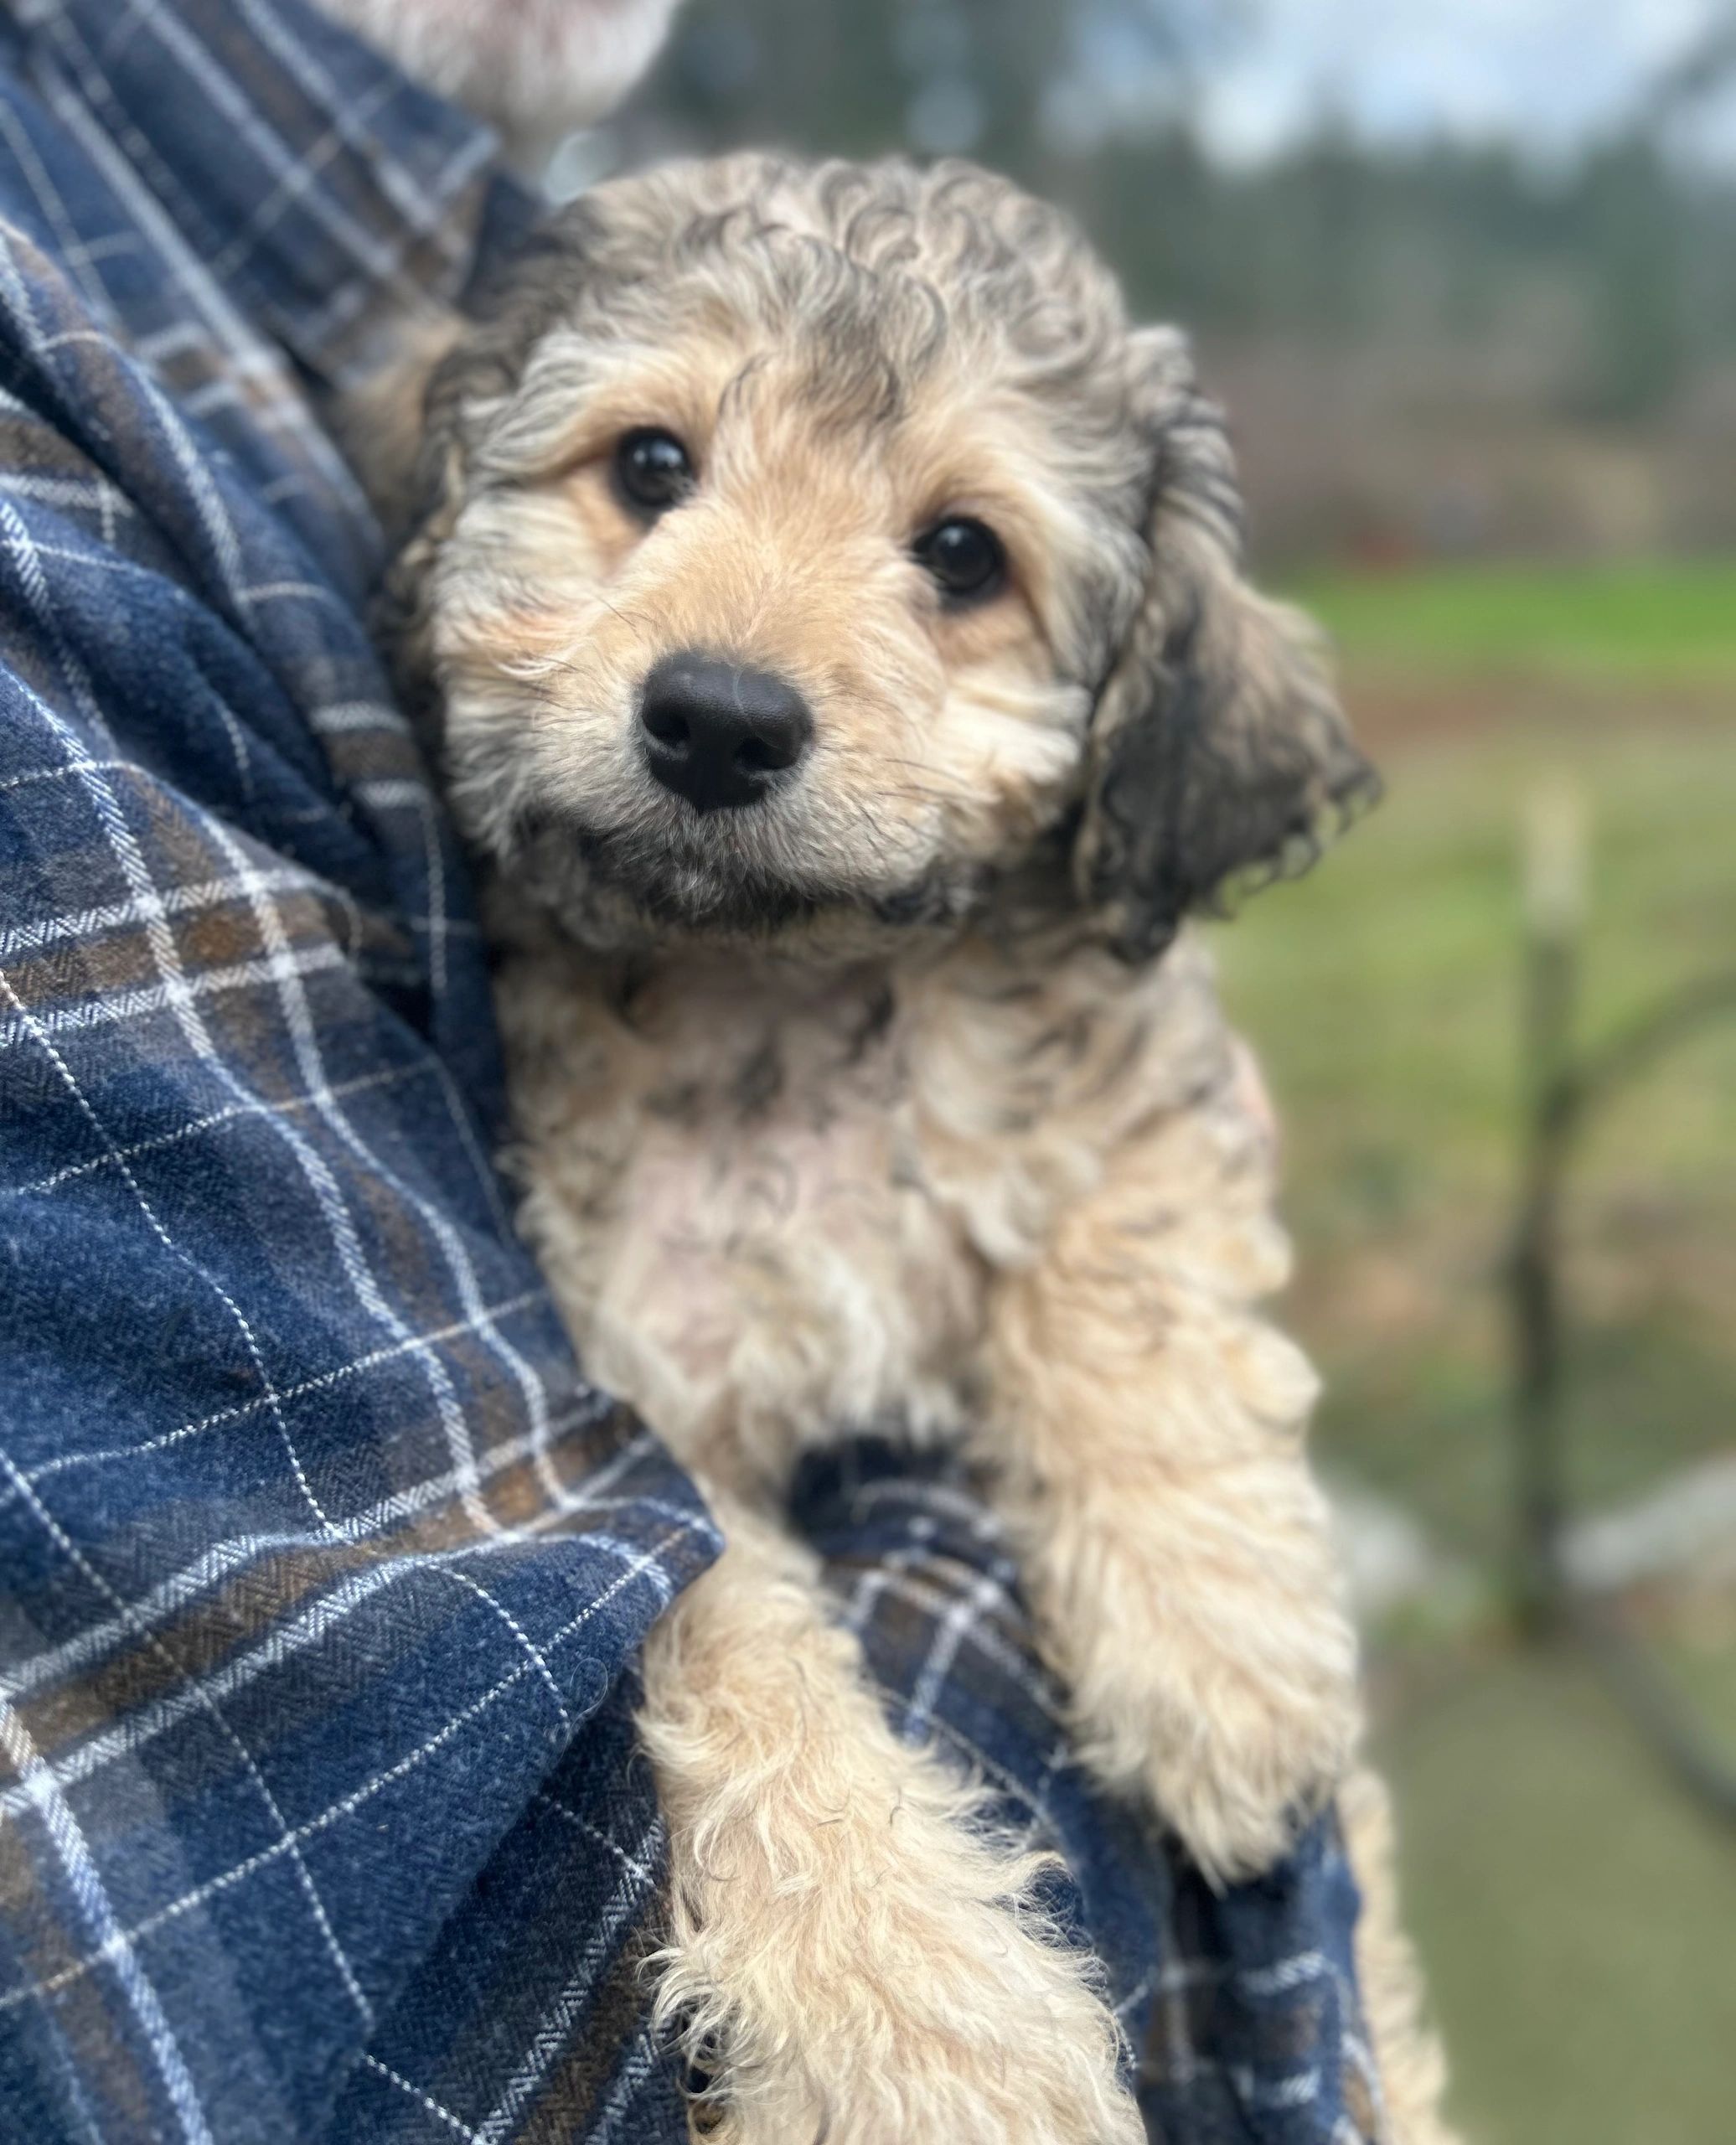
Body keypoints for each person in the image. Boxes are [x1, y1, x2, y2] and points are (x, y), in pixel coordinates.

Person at [0, 3, 1377, 2138]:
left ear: (1131, 715)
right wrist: (807, 1827)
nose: (739, 656)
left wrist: (1150, 1429)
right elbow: (613, 1532)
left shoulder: (1075, 1027)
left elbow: (1144, 1158)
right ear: (457, 490)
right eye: (651, 467)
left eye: (957, 559)